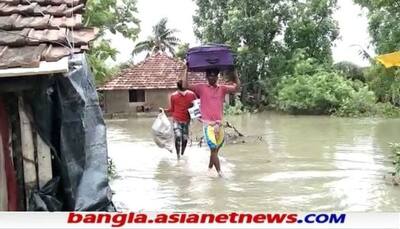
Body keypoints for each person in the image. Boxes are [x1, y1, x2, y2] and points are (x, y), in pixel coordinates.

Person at [183, 68, 240, 177]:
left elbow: (237, 88)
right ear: (207, 77)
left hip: (219, 124)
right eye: (210, 76)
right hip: (208, 125)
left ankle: (209, 169)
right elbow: (186, 85)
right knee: (213, 148)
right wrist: (186, 70)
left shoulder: (222, 89)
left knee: (215, 151)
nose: (212, 78)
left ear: (217, 77)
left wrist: (235, 74)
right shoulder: (201, 88)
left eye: (214, 76)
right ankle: (220, 173)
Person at [164, 80, 197, 159]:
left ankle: (182, 153)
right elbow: (172, 109)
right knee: (178, 136)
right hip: (176, 120)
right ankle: (178, 155)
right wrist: (164, 111)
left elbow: (196, 106)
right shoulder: (174, 96)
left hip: (187, 120)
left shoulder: (192, 94)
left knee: (185, 138)